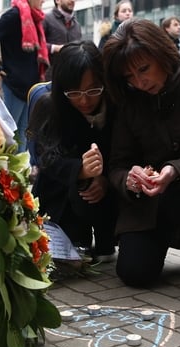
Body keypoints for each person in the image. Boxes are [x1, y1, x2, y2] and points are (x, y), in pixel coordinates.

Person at [102, 18, 180, 287]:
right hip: (148, 201)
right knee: (134, 273)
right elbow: (116, 164)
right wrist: (129, 177)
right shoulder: (128, 100)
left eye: (144, 69)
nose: (139, 81)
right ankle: (162, 236)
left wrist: (175, 170)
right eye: (129, 76)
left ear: (162, 53)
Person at [29, 40, 117, 262]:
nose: (84, 100)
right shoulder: (49, 105)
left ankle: (107, 241)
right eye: (75, 92)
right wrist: (81, 171)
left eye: (93, 90)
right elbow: (46, 158)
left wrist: (104, 178)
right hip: (62, 195)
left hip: (110, 190)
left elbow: (126, 152)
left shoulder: (116, 105)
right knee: (71, 250)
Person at [0, 0, 49, 153]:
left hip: (29, 90)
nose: (44, 1)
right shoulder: (14, 15)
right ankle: (6, 175)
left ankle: (16, 176)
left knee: (23, 138)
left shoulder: (35, 19)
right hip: (13, 87)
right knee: (8, 137)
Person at [43, 0, 82, 65]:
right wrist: (54, 48)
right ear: (57, 1)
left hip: (72, 73)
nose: (72, 1)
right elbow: (36, 45)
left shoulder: (77, 26)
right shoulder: (45, 19)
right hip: (52, 73)